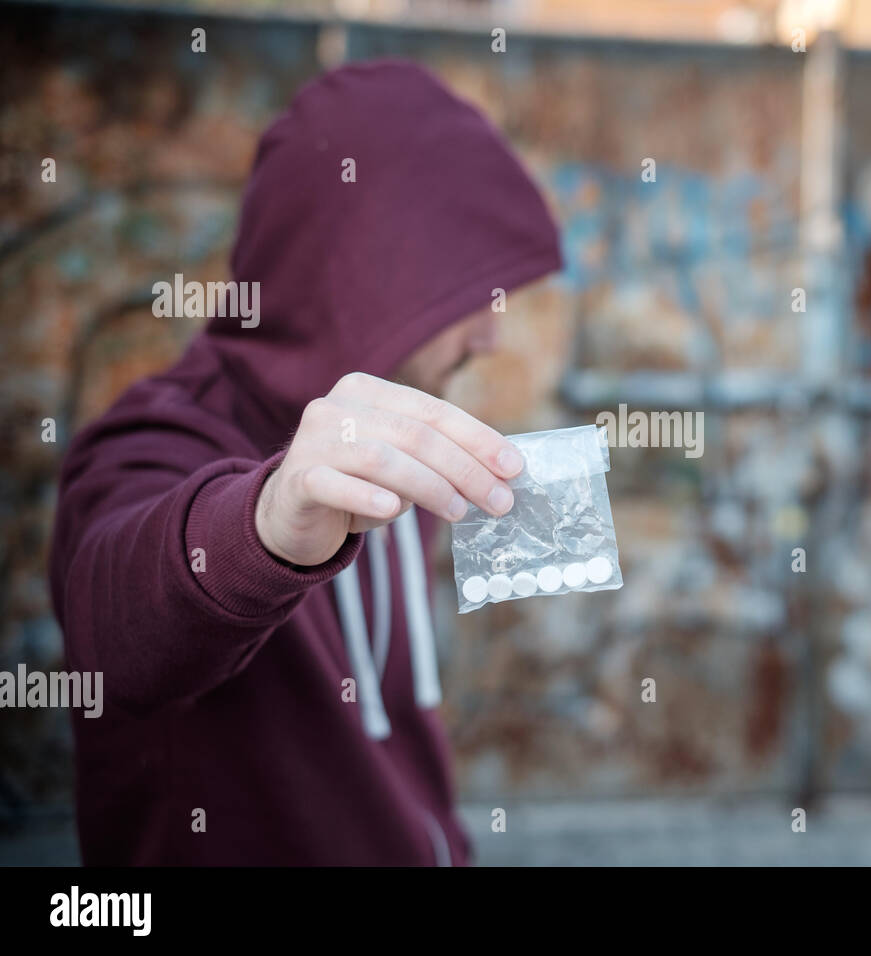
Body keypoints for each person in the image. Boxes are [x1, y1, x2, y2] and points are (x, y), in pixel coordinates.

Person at [47, 60, 564, 865]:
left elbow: (398, 754)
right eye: (465, 295)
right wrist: (265, 528)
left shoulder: (396, 440)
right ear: (372, 271)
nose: (491, 338)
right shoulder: (162, 434)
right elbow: (116, 626)